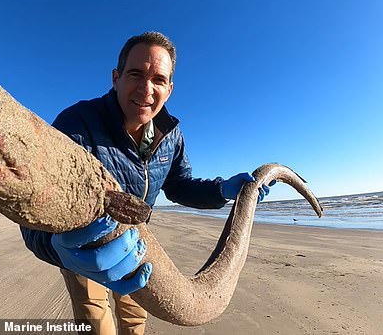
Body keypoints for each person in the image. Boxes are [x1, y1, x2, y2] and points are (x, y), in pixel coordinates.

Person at [20, 31, 273, 335]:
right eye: (136, 74)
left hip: (138, 242)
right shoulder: (78, 123)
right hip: (83, 246)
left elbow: (179, 185)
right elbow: (35, 202)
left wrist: (222, 190)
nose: (146, 89)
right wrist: (57, 248)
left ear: (170, 89)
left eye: (159, 80)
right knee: (94, 320)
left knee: (135, 318)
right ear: (116, 78)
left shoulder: (171, 135)